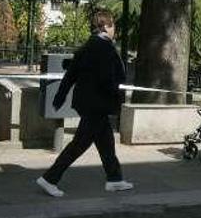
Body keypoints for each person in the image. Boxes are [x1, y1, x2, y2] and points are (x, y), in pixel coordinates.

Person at [36, 10, 133, 198]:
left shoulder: (88, 46)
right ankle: (50, 178)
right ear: (105, 26)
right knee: (79, 144)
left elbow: (71, 74)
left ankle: (115, 179)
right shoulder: (105, 47)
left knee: (106, 142)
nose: (115, 30)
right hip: (97, 104)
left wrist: (60, 97)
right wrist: (117, 92)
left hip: (88, 103)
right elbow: (108, 78)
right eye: (113, 26)